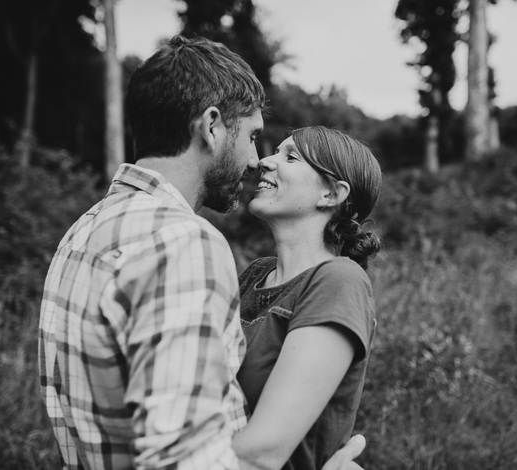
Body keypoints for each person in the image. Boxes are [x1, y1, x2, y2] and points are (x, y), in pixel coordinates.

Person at [38, 36, 365, 470]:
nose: (256, 161)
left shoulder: (84, 231)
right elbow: (183, 461)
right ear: (211, 127)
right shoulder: (184, 242)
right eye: (252, 137)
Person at [231, 127, 382, 470]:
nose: (264, 162)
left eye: (290, 157)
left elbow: (261, 454)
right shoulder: (255, 274)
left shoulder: (338, 281)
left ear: (331, 194)